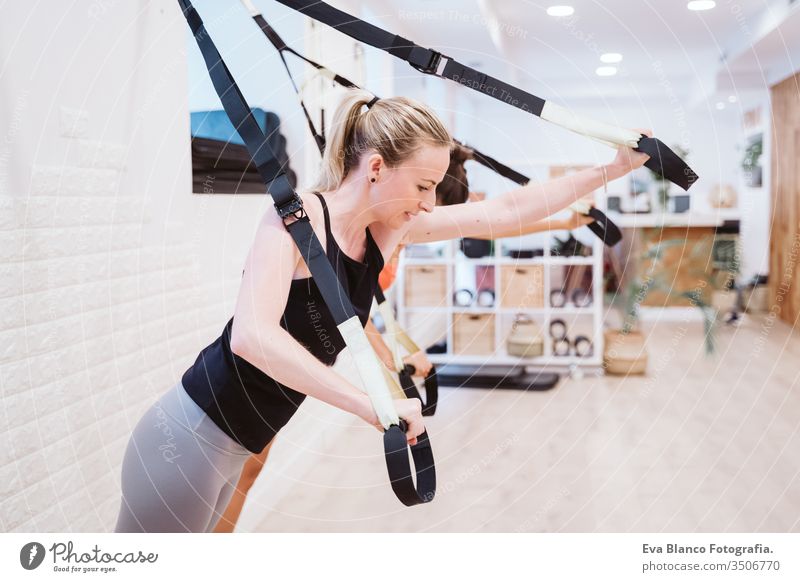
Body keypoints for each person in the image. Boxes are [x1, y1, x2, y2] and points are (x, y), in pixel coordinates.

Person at [115, 89, 649, 532]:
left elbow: (505, 210)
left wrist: (614, 168)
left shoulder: (384, 234)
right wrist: (371, 403)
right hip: (187, 438)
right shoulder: (294, 221)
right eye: (423, 185)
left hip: (236, 443)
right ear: (376, 167)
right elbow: (251, 338)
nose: (429, 203)